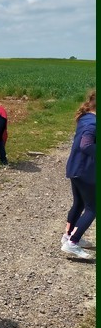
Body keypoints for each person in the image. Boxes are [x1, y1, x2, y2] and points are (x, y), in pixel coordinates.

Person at [61, 90, 96, 259]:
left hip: (75, 168)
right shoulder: (93, 123)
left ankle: (68, 236)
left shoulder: (85, 118)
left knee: (79, 203)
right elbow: (86, 144)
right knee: (93, 208)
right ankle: (72, 242)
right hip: (86, 171)